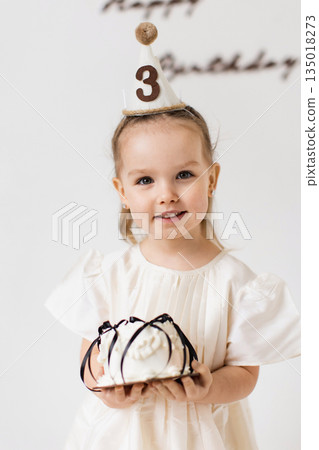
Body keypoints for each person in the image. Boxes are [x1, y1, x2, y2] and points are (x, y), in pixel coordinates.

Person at [45, 23, 300, 450]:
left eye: (184, 174)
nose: (166, 195)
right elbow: (91, 357)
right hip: (123, 433)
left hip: (199, 435)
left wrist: (208, 389)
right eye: (145, 180)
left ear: (212, 178)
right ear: (122, 192)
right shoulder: (110, 274)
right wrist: (103, 385)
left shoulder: (235, 281)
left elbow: (245, 374)